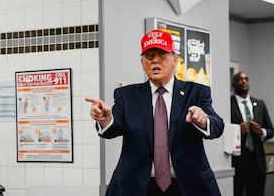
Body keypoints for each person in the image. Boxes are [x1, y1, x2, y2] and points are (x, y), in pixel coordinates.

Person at [85, 29, 224, 196]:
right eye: (150, 56)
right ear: (142, 63)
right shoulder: (127, 96)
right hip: (138, 187)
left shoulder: (196, 93)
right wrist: (106, 120)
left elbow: (217, 126)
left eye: (162, 55)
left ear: (175, 60)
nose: (155, 61)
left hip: (187, 186)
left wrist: (203, 121)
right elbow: (114, 128)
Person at [230, 71, 274, 196]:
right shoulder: (228, 104)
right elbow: (222, 131)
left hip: (257, 162)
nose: (243, 81)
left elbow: (271, 130)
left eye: (245, 79)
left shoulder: (259, 104)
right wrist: (237, 131)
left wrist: (262, 131)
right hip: (237, 162)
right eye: (239, 79)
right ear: (234, 84)